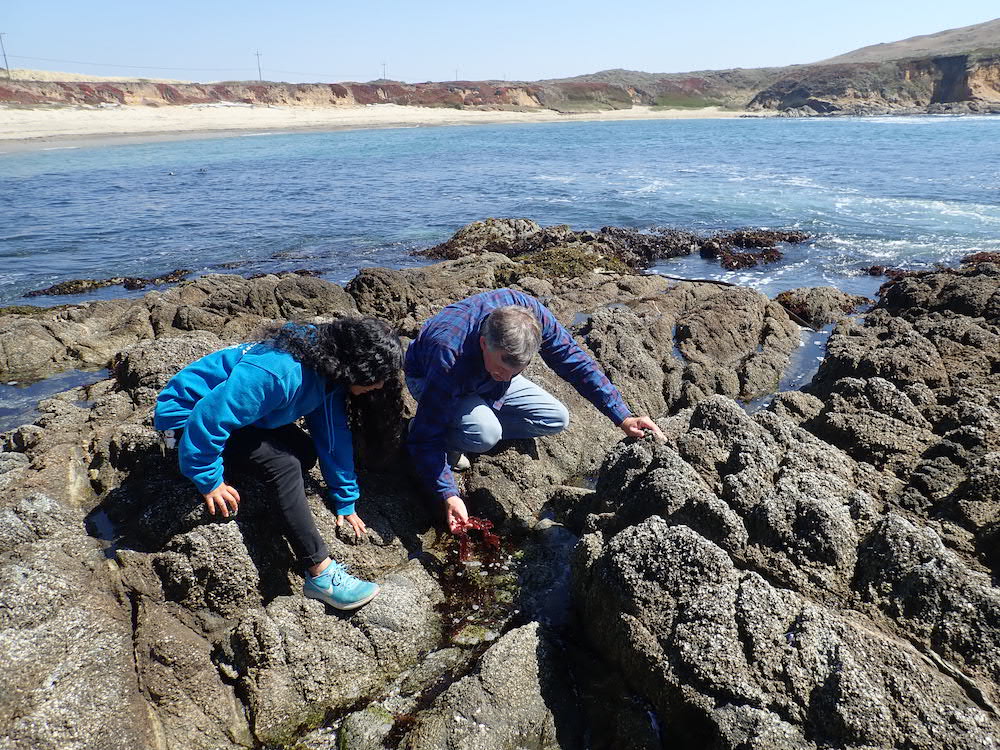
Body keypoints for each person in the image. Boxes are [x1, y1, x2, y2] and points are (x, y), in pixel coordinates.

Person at [154, 317, 402, 611]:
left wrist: (345, 498)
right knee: (284, 466)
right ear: (356, 366)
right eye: (378, 376)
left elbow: (332, 435)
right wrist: (208, 478)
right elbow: (208, 417)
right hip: (185, 418)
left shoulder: (329, 369)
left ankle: (264, 485)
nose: (382, 384)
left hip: (245, 420)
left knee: (305, 452)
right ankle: (320, 574)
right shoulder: (278, 372)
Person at [405, 288, 665, 533]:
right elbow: (427, 437)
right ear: (484, 343)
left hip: (481, 376)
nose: (504, 376)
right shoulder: (449, 352)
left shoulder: (531, 316)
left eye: (514, 371)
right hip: (432, 377)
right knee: (484, 434)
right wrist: (449, 494)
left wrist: (622, 416)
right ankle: (431, 433)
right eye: (501, 369)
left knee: (555, 418)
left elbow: (576, 362)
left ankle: (473, 418)